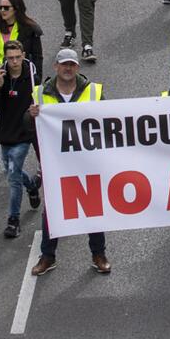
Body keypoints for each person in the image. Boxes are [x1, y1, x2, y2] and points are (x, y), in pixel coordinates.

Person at [30, 49, 110, 275]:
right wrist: (31, 115)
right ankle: (47, 256)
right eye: (64, 64)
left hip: (87, 162)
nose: (67, 68)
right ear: (55, 66)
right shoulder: (40, 93)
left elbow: (108, 121)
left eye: (71, 65)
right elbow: (29, 127)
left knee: (93, 209)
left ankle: (98, 254)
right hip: (57, 164)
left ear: (77, 67)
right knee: (52, 211)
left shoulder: (93, 91)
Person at [0, 37, 43, 239]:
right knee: (12, 170)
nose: (14, 62)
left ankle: (13, 220)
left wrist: (36, 109)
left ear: (23, 56)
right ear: (5, 58)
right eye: (10, 58)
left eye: (18, 57)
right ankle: (32, 187)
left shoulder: (32, 78)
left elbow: (43, 102)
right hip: (5, 133)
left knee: (13, 176)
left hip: (23, 134)